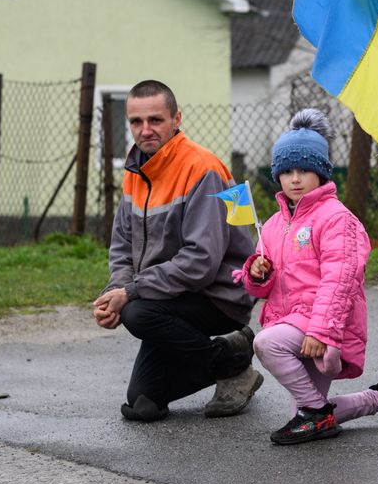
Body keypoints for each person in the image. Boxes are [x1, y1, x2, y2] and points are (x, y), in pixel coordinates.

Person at [239, 109, 378, 445]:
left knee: (265, 343)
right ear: (277, 176)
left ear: (321, 172)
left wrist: (321, 331)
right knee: (304, 411)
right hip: (291, 320)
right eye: (286, 171)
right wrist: (257, 273)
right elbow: (265, 285)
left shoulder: (336, 219)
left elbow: (340, 280)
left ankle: (315, 413)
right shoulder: (272, 225)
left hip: (321, 324)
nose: (295, 178)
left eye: (304, 170)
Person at [93, 79, 262, 422]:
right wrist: (115, 290)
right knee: (142, 404)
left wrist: (131, 292)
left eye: (155, 120)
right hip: (167, 295)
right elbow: (122, 248)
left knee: (137, 314)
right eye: (136, 122)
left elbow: (201, 262)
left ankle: (231, 368)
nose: (145, 130)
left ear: (176, 119)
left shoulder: (203, 168)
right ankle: (233, 350)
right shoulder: (135, 172)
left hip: (219, 295)